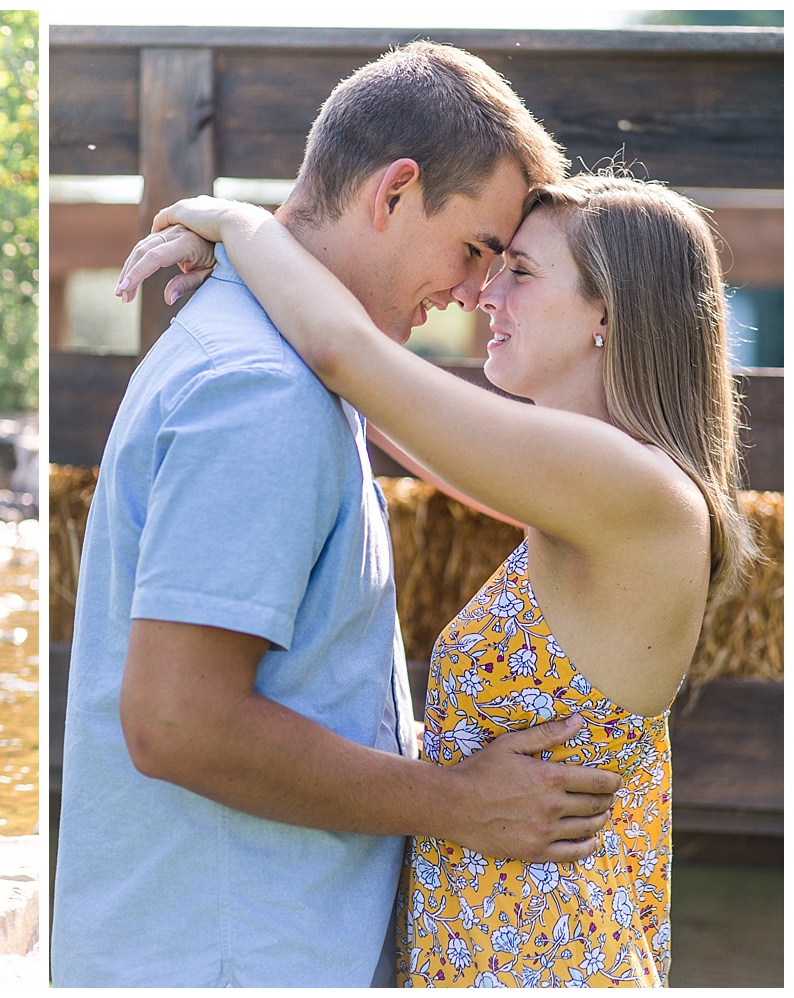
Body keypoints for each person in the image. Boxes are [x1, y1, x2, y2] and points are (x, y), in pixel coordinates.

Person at [50, 41, 623, 989]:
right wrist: (456, 803)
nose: (477, 293)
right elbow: (177, 722)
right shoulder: (263, 393)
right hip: (228, 959)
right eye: (477, 249)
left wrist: (242, 230)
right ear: (394, 194)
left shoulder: (286, 367)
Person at [117, 172, 751, 985]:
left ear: (609, 313)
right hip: (503, 945)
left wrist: (242, 226)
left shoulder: (631, 486)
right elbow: (387, 414)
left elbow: (350, 360)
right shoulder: (588, 485)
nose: (487, 292)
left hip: (543, 961)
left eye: (521, 272)